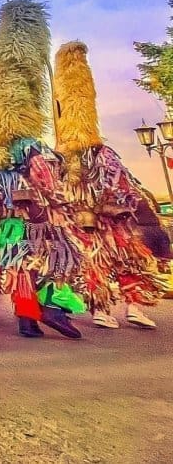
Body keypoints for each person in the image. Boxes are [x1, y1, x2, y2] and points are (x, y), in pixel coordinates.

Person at [0, 0, 86, 339]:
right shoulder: (32, 147)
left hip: (6, 223)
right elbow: (50, 184)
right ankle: (50, 309)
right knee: (53, 257)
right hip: (35, 218)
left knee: (19, 265)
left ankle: (28, 319)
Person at [53, 41, 166, 328]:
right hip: (92, 222)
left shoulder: (89, 156)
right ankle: (108, 309)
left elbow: (120, 185)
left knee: (124, 259)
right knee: (99, 262)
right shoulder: (78, 158)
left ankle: (127, 307)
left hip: (107, 220)